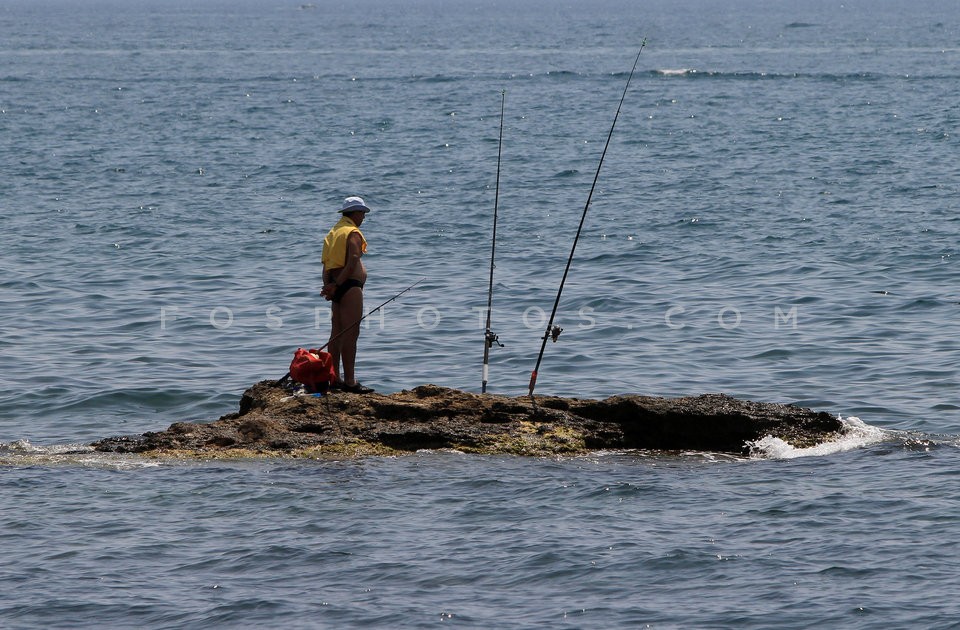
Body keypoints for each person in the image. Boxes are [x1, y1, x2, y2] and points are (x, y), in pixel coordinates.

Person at [321, 196, 374, 393]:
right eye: (362, 213)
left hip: (336, 287)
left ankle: (334, 378)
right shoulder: (352, 232)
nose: (363, 218)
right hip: (350, 286)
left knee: (337, 335)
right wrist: (339, 284)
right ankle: (350, 381)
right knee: (351, 335)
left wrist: (329, 286)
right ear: (355, 213)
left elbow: (327, 264)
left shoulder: (333, 232)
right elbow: (353, 259)